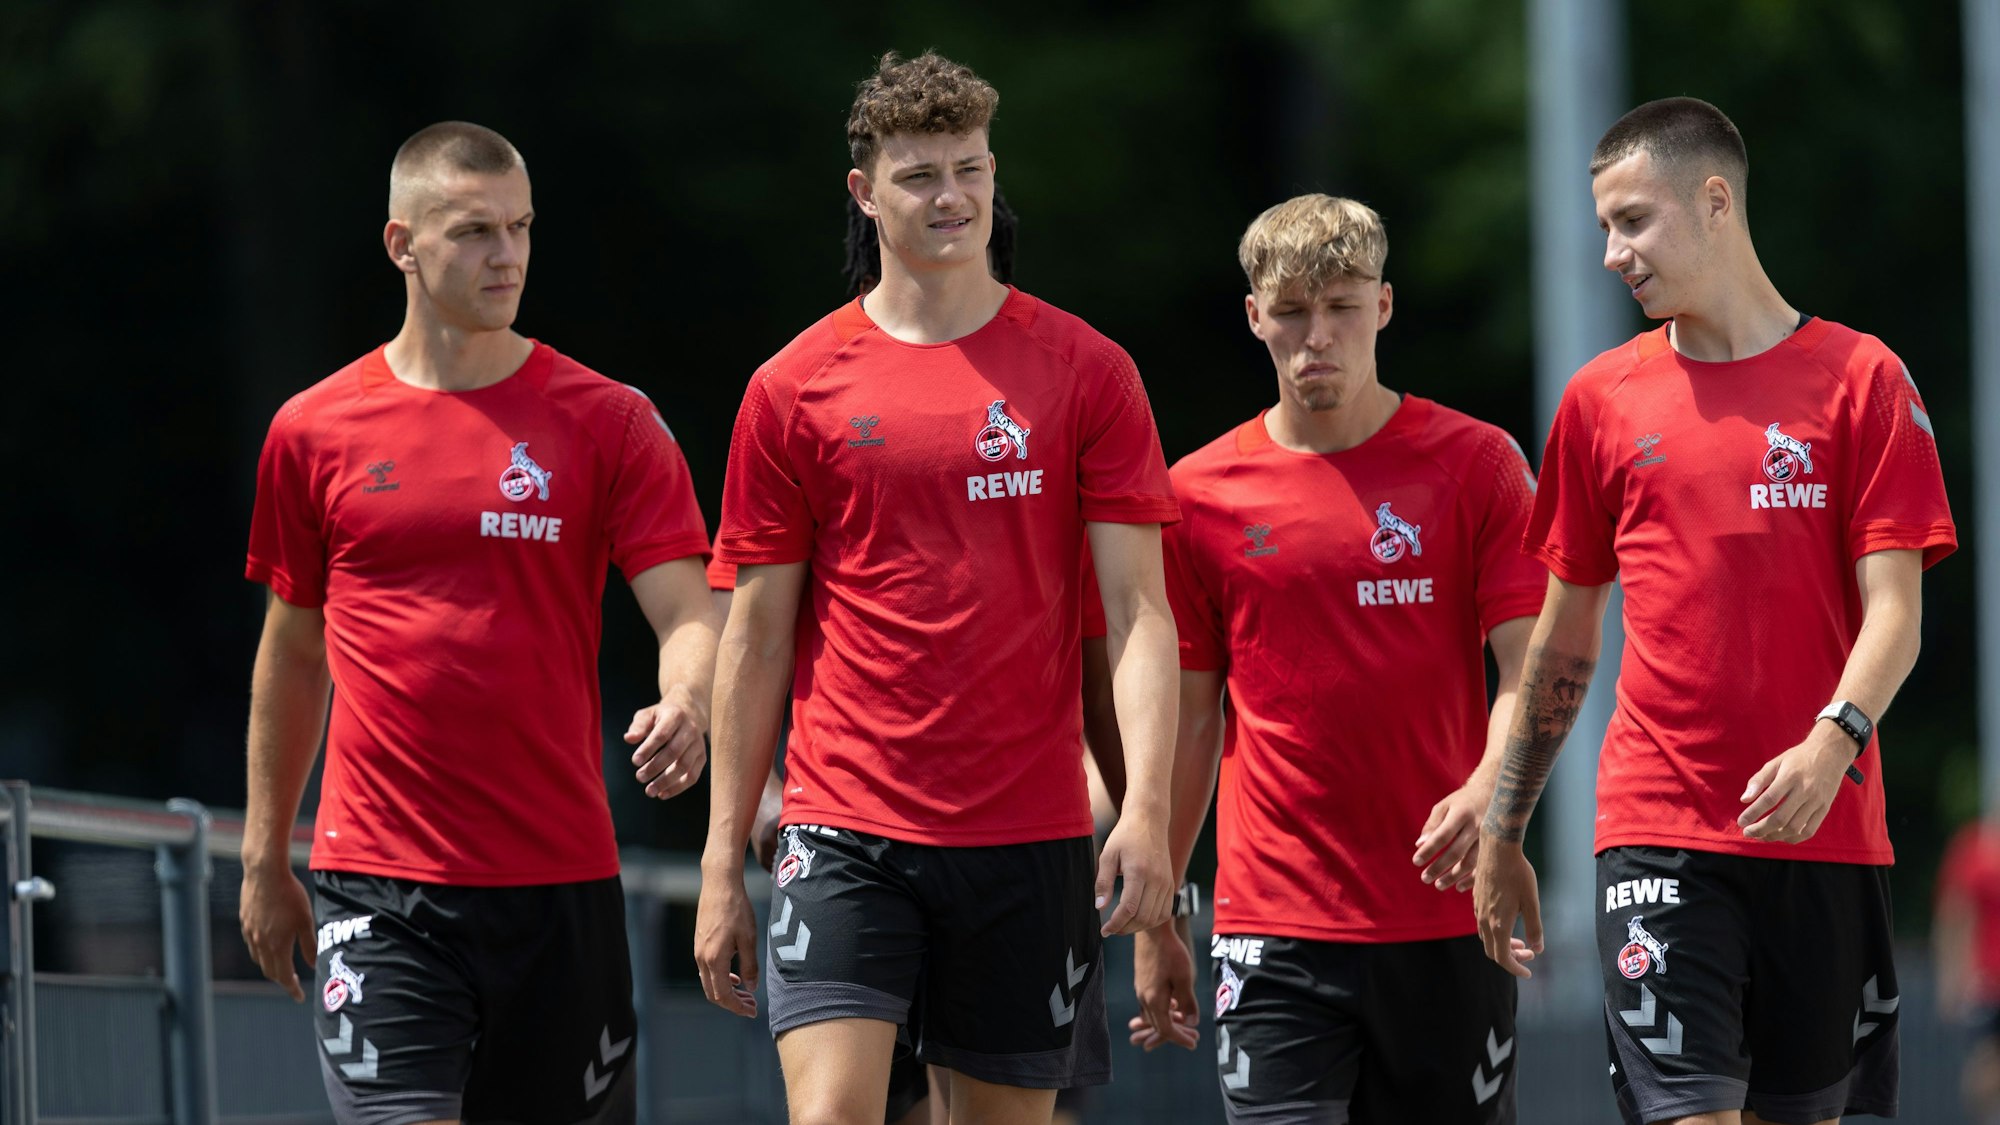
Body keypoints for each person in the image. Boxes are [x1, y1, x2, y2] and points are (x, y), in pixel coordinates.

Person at [695, 50, 1182, 1125]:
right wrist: (725, 857)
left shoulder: (1085, 371)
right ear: (864, 194)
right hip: (843, 824)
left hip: (1027, 832)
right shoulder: (792, 387)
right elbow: (756, 635)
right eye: (919, 175)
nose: (951, 196)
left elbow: (1137, 615)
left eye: (969, 168)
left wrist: (1146, 809)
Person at [1472, 97, 1957, 1125]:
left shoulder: (1861, 381)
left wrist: (1833, 742)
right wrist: (1505, 825)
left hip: (1822, 836)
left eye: (1631, 221)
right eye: (1602, 227)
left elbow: (1895, 618)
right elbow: (1562, 646)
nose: (1610, 253)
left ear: (1713, 199)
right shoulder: (1599, 402)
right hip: (1655, 834)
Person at [238, 121, 718, 1125]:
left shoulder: (608, 421)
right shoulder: (311, 430)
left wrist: (688, 698)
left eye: (521, 227)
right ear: (400, 244)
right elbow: (292, 651)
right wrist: (262, 852)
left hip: (559, 886)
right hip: (378, 887)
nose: (506, 256)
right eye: (471, 233)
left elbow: (688, 607)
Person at [1127, 194, 1545, 1122]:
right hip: (1273, 923)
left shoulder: (1476, 464)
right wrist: (1163, 911)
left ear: (1385, 307)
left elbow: (1531, 667)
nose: (1318, 336)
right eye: (1293, 312)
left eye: (1343, 306)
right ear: (1254, 318)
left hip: (1443, 916)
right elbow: (1195, 719)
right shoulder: (1196, 497)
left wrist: (1492, 791)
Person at [1937, 815, 2000, 1125]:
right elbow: (1955, 914)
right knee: (1986, 1064)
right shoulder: (1975, 846)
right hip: (1988, 982)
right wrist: (1951, 979)